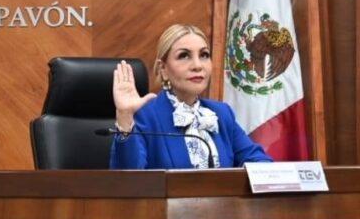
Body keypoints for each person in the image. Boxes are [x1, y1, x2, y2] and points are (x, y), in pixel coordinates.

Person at [109, 24, 272, 169]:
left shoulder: (221, 114)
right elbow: (127, 181)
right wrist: (124, 115)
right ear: (163, 68)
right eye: (184, 56)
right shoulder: (145, 116)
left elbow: (258, 160)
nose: (197, 65)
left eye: (204, 55)